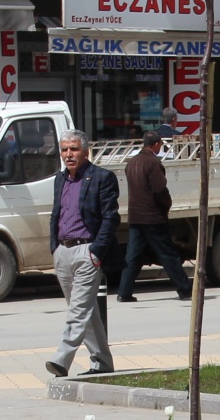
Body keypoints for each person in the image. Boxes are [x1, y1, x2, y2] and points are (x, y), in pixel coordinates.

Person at [45, 131, 117, 378]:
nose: (68, 154)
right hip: (63, 251)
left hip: (87, 251)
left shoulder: (102, 178)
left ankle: (61, 359)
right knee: (86, 311)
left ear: (85, 152)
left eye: (74, 149)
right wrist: (54, 247)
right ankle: (103, 362)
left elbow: (111, 218)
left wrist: (96, 251)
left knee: (78, 310)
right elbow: (56, 214)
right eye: (64, 149)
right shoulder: (60, 179)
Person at [118, 131, 191, 304]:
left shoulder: (131, 163)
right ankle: (185, 290)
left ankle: (124, 292)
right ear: (156, 144)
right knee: (168, 255)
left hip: (136, 217)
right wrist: (167, 204)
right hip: (152, 217)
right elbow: (159, 189)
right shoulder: (153, 163)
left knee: (132, 256)